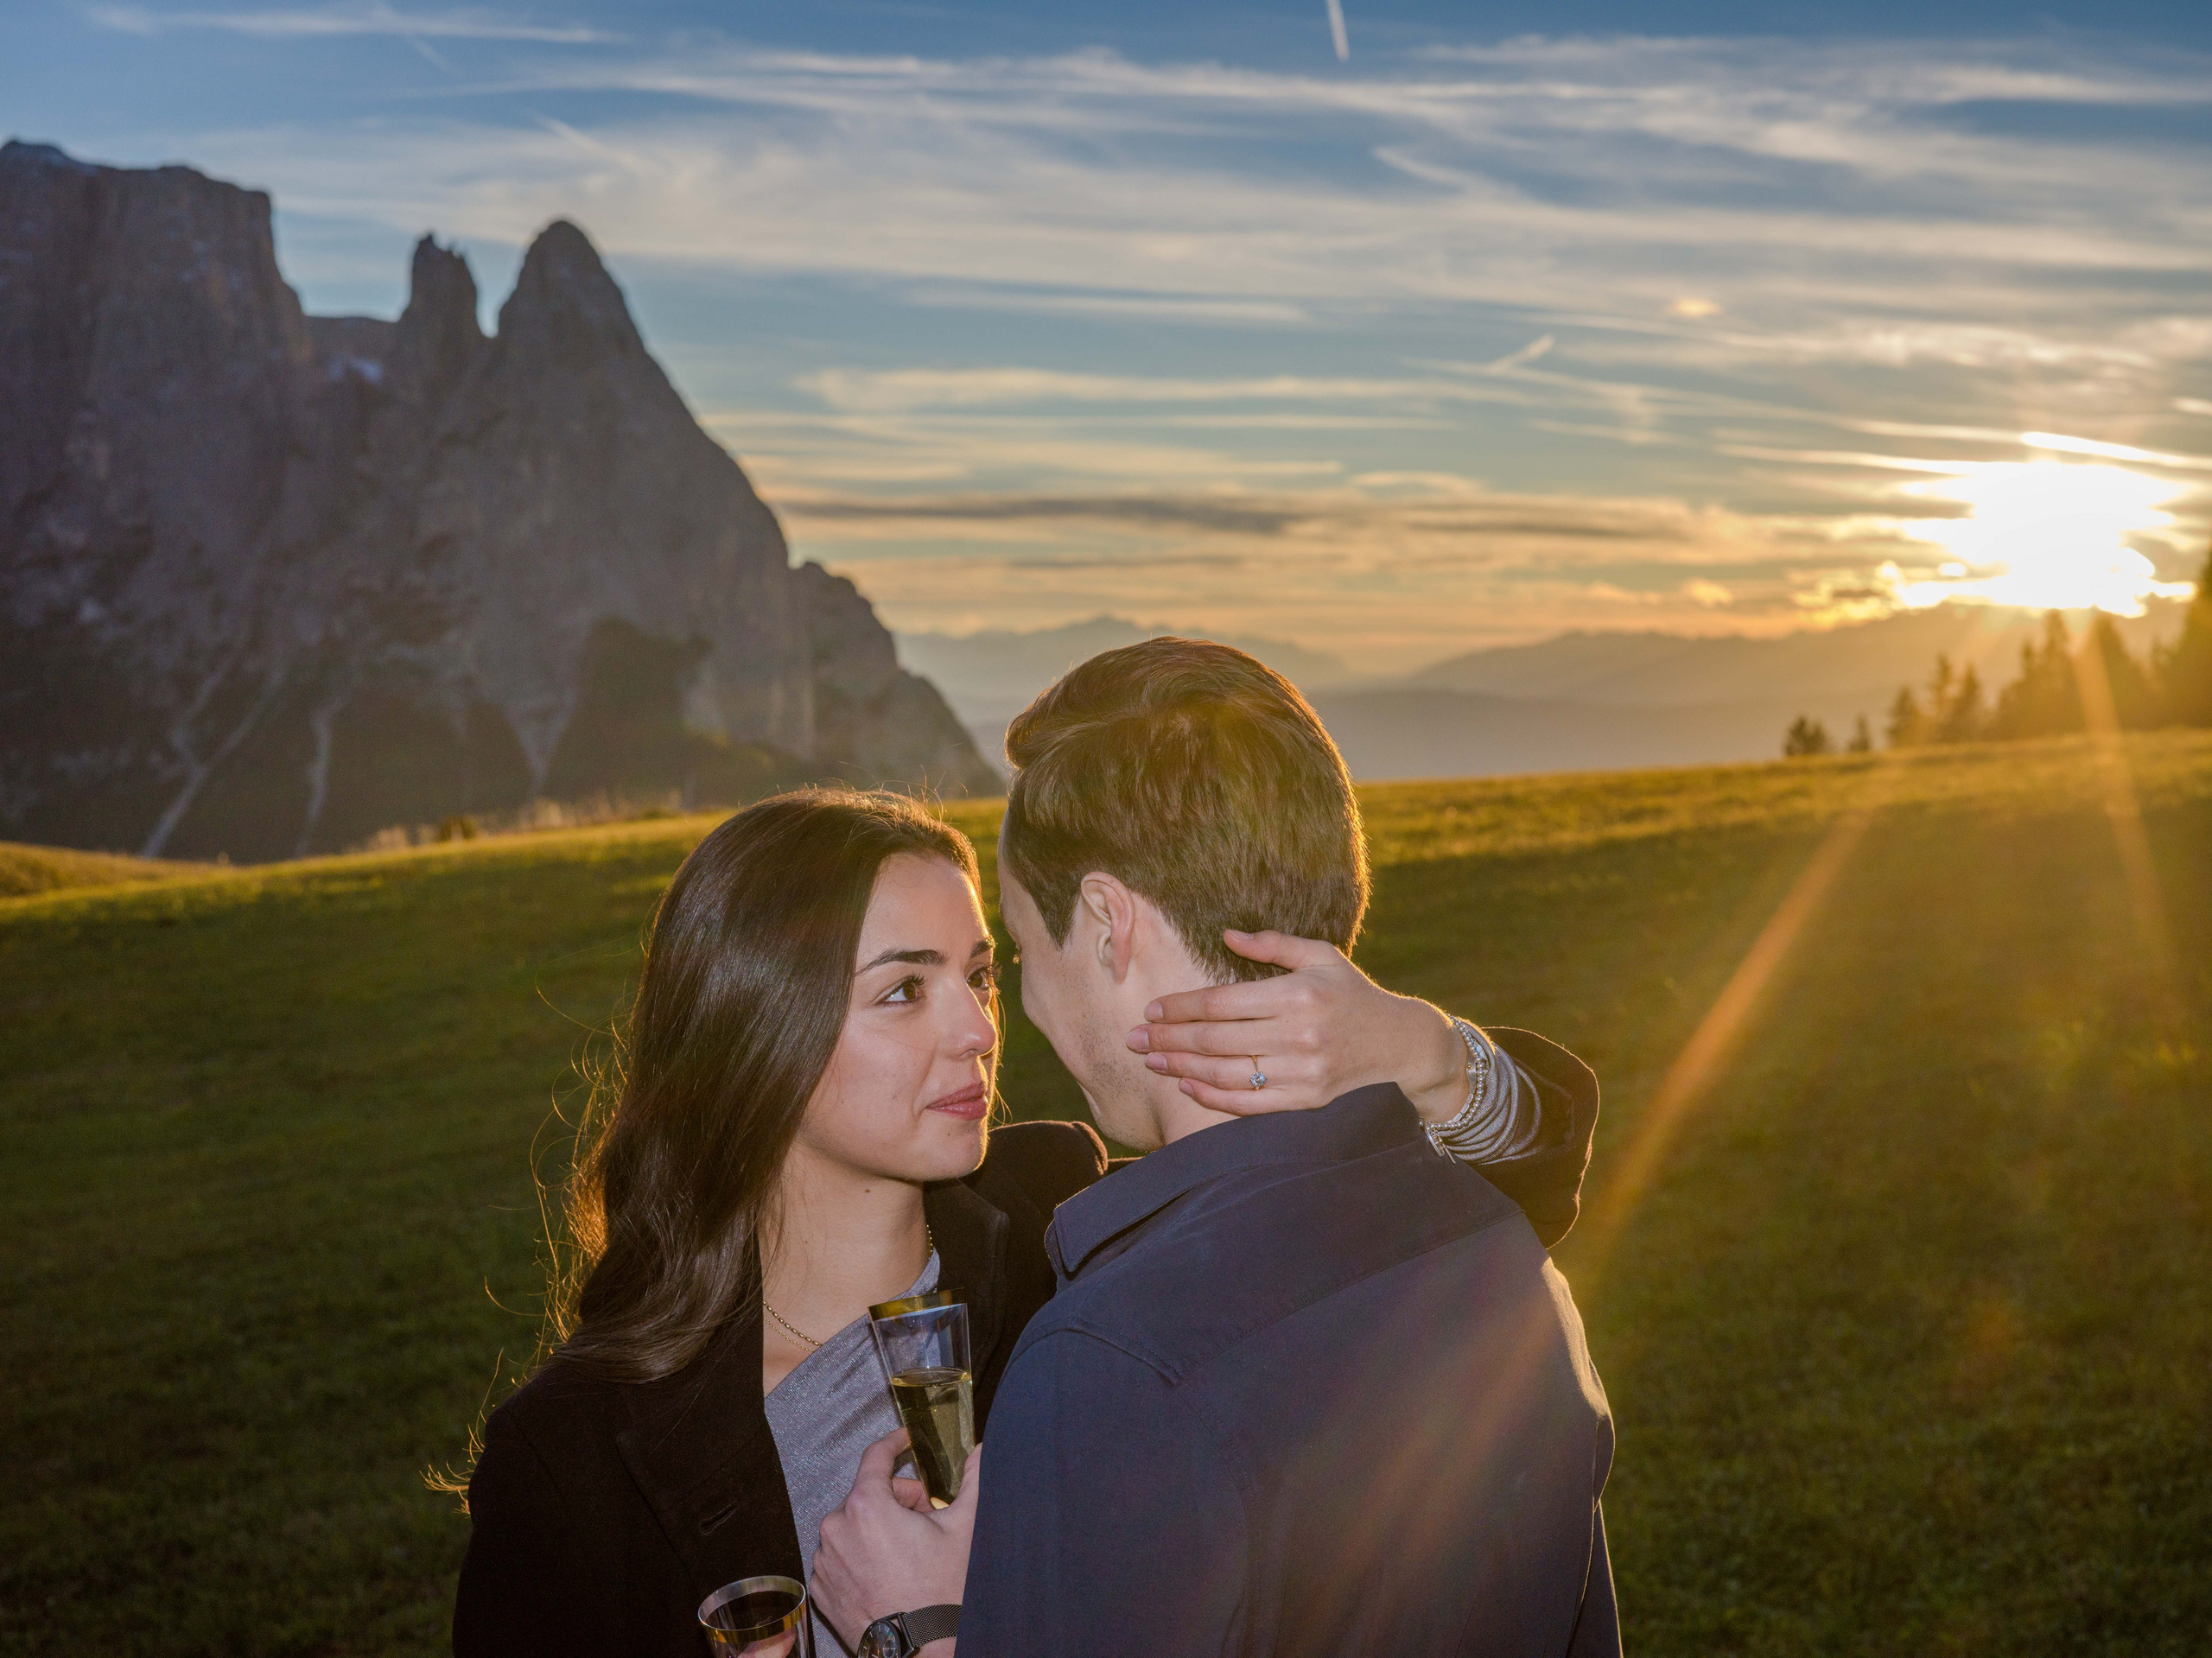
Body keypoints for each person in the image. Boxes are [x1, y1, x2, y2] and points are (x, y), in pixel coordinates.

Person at [449, 784, 1599, 1658]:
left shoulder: (1075, 1229)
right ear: (751, 1035)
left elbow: (1481, 1206)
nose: (978, 1030)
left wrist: (1424, 1052)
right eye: (905, 989)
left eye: (981, 974)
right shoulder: (574, 1458)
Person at [810, 640, 1616, 1658]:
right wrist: (1432, 1052)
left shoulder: (1108, 1366)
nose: (1015, 1004)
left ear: (1107, 923)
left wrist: (920, 1627)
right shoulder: (1491, 1242)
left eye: (1017, 949)